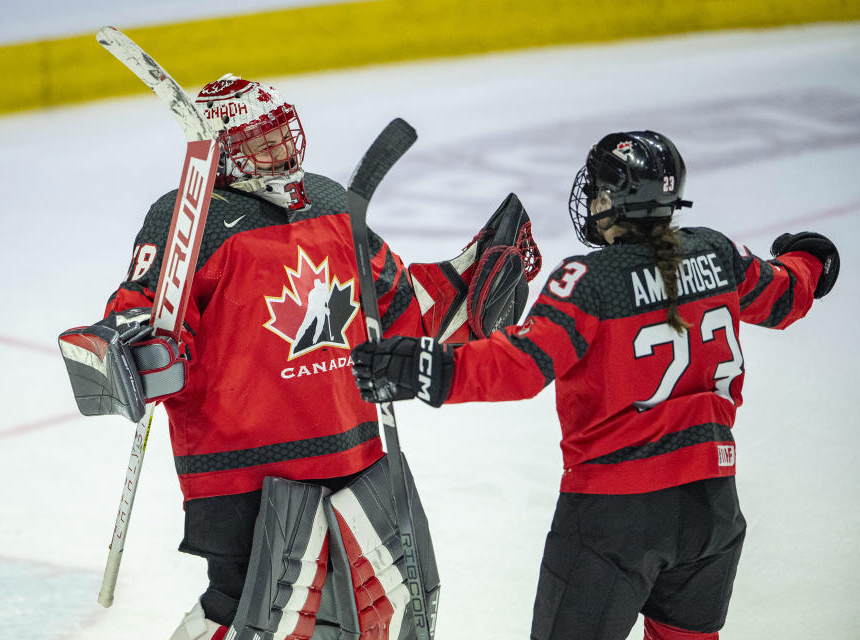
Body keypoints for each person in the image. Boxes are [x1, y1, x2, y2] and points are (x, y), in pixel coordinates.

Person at [58, 73, 540, 640]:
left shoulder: (331, 201)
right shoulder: (188, 219)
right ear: (222, 153)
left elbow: (396, 308)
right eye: (261, 144)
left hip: (349, 449)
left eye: (282, 135)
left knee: (376, 610)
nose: (281, 152)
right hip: (241, 468)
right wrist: (130, 350)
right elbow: (138, 313)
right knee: (246, 612)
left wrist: (468, 285)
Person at [350, 130, 840, 640]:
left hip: (613, 518)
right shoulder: (717, 255)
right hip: (710, 509)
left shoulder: (588, 281)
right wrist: (811, 259)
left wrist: (424, 366)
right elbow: (788, 293)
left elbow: (521, 364)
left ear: (610, 199)